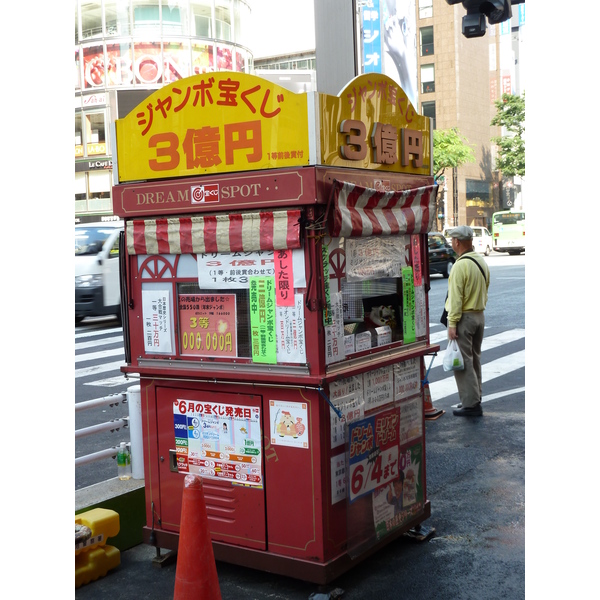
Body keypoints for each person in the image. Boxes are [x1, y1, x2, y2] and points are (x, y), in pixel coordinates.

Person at [444, 226, 490, 417]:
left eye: (453, 240)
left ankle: (470, 404)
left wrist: (452, 323)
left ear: (457, 241)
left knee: (463, 363)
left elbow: (456, 299)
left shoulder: (460, 266)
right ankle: (476, 396)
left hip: (464, 317)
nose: (452, 243)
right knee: (475, 359)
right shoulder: (481, 261)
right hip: (479, 316)